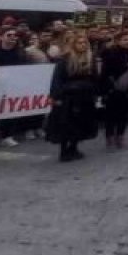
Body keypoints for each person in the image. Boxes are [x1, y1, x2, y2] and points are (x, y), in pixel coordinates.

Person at [47, 34, 99, 162]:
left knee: (81, 123)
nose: (82, 45)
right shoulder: (65, 59)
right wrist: (56, 96)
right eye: (79, 43)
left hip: (85, 96)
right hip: (68, 97)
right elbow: (57, 79)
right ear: (73, 45)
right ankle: (64, 151)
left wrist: (95, 92)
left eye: (84, 43)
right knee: (66, 124)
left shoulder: (90, 58)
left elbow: (95, 77)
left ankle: (74, 148)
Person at [0, 28, 34, 144]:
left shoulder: (21, 53)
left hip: (14, 86)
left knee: (11, 111)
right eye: (9, 35)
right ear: (2, 37)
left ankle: (8, 135)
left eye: (15, 35)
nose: (13, 37)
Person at [100, 31, 128, 150]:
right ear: (118, 41)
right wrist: (107, 88)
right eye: (124, 39)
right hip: (113, 90)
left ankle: (120, 136)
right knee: (111, 116)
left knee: (124, 115)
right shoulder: (110, 53)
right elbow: (105, 73)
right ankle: (109, 138)